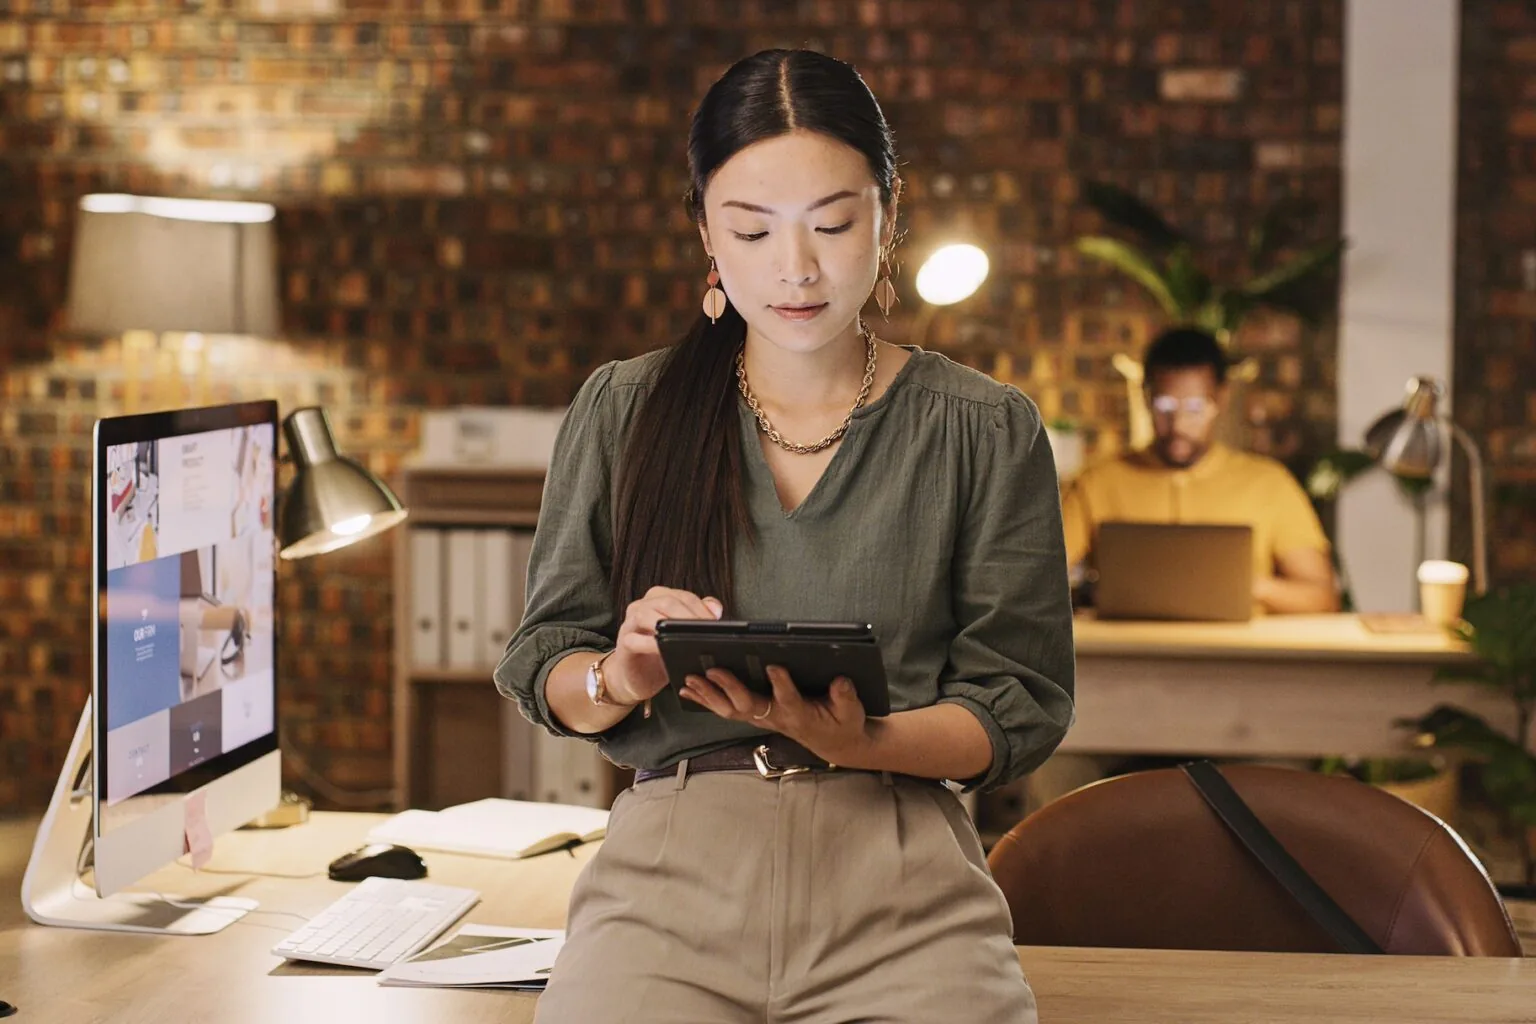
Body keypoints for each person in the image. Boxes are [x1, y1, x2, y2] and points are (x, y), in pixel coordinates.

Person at [494, 48, 1074, 1024]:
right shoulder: (625, 408)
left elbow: (1016, 705)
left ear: (889, 216)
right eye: (752, 230)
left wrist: (865, 737)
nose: (795, 268)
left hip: (899, 880)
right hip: (668, 879)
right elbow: (544, 661)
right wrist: (621, 675)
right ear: (706, 233)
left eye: (833, 224)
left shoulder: (985, 427)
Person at [1061, 326, 1339, 614]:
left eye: (1195, 407)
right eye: (1165, 405)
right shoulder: (1097, 482)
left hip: (1234, 655)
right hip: (1130, 654)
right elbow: (1031, 582)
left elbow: (1321, 598)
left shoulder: (1269, 484)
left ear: (1221, 399)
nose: (1179, 424)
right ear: (1145, 398)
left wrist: (1246, 584)